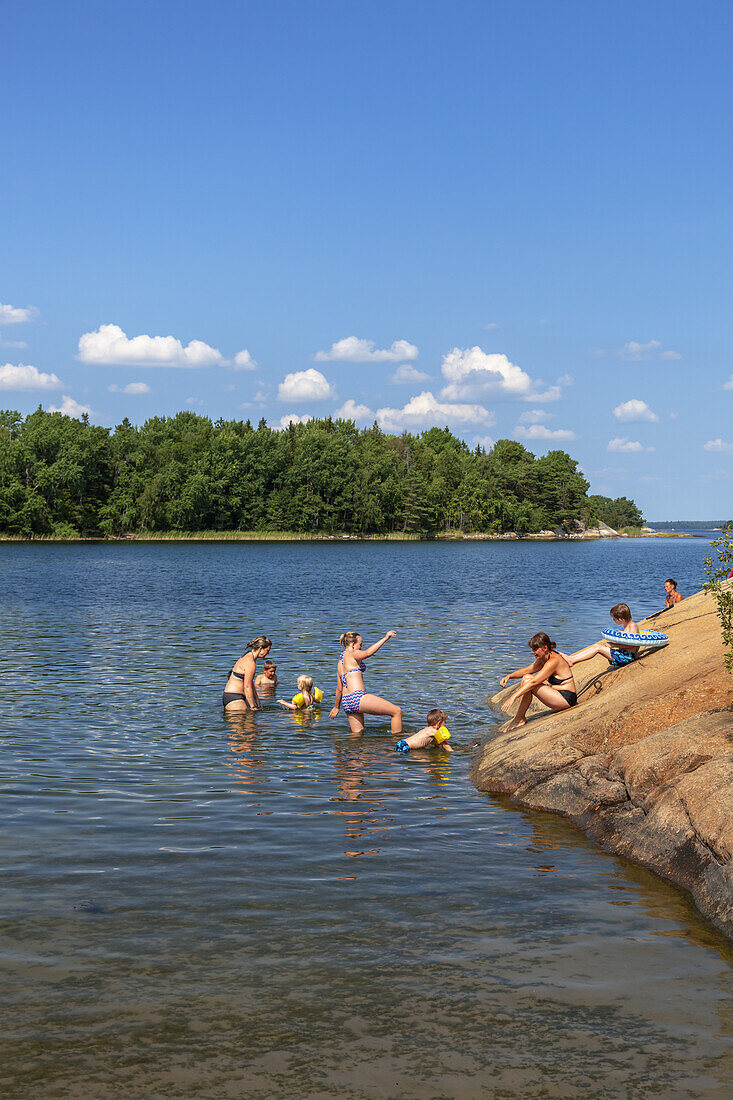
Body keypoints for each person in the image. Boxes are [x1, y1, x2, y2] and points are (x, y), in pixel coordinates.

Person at [499, 632, 577, 732]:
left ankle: (519, 719)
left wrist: (513, 697)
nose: (532, 652)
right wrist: (509, 676)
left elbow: (534, 682)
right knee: (526, 677)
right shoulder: (544, 657)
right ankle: (520, 718)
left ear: (545, 648)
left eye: (535, 649)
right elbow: (528, 670)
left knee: (528, 680)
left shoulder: (553, 661)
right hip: (557, 694)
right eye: (532, 649)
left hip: (566, 699)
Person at [329, 630, 402, 735]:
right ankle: (398, 744)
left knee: (357, 736)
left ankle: (354, 751)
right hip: (357, 697)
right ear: (353, 644)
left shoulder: (340, 662)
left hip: (346, 702)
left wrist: (336, 707)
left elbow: (339, 688)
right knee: (396, 711)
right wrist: (385, 638)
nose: (361, 647)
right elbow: (368, 653)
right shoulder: (353, 653)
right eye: (360, 644)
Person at [566, 603, 640, 670]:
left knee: (597, 648)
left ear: (620, 619)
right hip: (623, 655)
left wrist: (613, 645)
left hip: (627, 657)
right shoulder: (626, 626)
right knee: (596, 646)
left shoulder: (632, 626)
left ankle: (572, 660)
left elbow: (632, 645)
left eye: (614, 619)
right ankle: (572, 658)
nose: (613, 620)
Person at [222, 635, 272, 711]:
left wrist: (257, 700)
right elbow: (247, 686)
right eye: (267, 650)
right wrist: (252, 707)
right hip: (234, 698)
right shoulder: (250, 662)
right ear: (260, 649)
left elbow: (250, 682)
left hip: (234, 696)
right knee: (250, 720)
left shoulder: (248, 655)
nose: (268, 653)